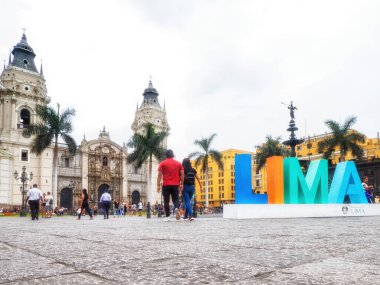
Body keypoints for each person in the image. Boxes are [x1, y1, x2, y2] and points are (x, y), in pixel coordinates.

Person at [157, 149, 184, 221]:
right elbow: (182, 174)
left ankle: (167, 216)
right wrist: (181, 184)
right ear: (173, 155)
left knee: (166, 200)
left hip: (166, 185)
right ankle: (176, 208)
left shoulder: (162, 163)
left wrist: (158, 186)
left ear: (166, 155)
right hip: (175, 185)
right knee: (176, 199)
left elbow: (159, 175)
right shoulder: (178, 163)